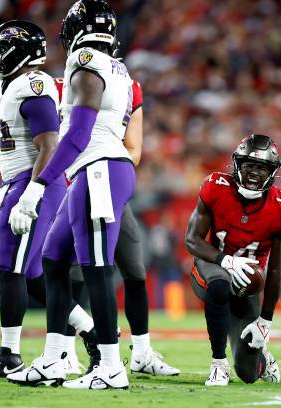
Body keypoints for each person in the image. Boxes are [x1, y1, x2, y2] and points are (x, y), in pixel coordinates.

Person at [0, 19, 98, 378]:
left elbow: (49, 144)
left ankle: (9, 354)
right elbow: (8, 142)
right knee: (29, 275)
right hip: (21, 181)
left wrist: (33, 190)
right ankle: (93, 331)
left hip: (35, 184)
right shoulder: (10, 86)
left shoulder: (34, 85)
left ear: (20, 52)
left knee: (10, 268)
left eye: (1, 50)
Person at [7, 0, 135, 390]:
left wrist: (39, 183)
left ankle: (111, 366)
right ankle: (53, 359)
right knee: (52, 257)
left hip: (100, 169)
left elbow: (78, 134)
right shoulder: (119, 67)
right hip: (96, 169)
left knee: (96, 268)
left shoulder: (85, 60)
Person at [55, 77, 180, 376]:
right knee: (77, 273)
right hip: (72, 185)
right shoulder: (64, 83)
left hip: (107, 181)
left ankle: (142, 353)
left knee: (134, 270)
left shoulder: (128, 86)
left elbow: (133, 149)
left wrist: (110, 168)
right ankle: (65, 350)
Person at [186, 134, 281, 386]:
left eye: (261, 168)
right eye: (248, 165)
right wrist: (225, 260)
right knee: (218, 284)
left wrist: (265, 321)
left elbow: (276, 270)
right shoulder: (216, 186)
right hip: (213, 266)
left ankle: (263, 356)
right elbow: (192, 240)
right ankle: (218, 364)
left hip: (249, 283)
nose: (253, 173)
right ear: (236, 165)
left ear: (272, 173)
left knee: (249, 373)